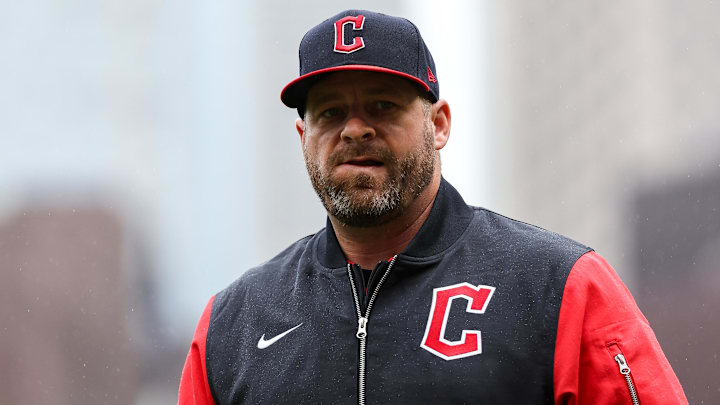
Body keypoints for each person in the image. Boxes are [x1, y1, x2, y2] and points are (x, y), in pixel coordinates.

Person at [178, 9, 688, 404]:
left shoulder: (560, 285)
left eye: (382, 104)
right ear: (303, 137)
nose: (355, 128)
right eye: (331, 112)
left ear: (439, 124)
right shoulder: (233, 324)